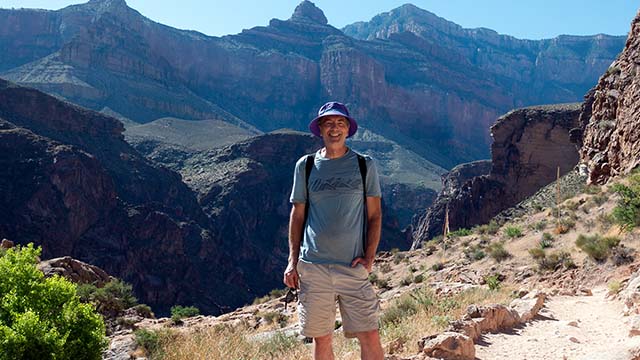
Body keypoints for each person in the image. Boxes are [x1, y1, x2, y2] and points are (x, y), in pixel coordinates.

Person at [284, 101, 384, 360]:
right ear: (320, 129)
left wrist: (370, 258)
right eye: (328, 123)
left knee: (370, 334)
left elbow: (374, 215)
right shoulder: (305, 166)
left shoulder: (365, 165)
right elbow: (297, 216)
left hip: (352, 266)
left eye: (340, 123)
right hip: (313, 266)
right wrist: (292, 262)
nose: (335, 128)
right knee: (322, 338)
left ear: (348, 129)